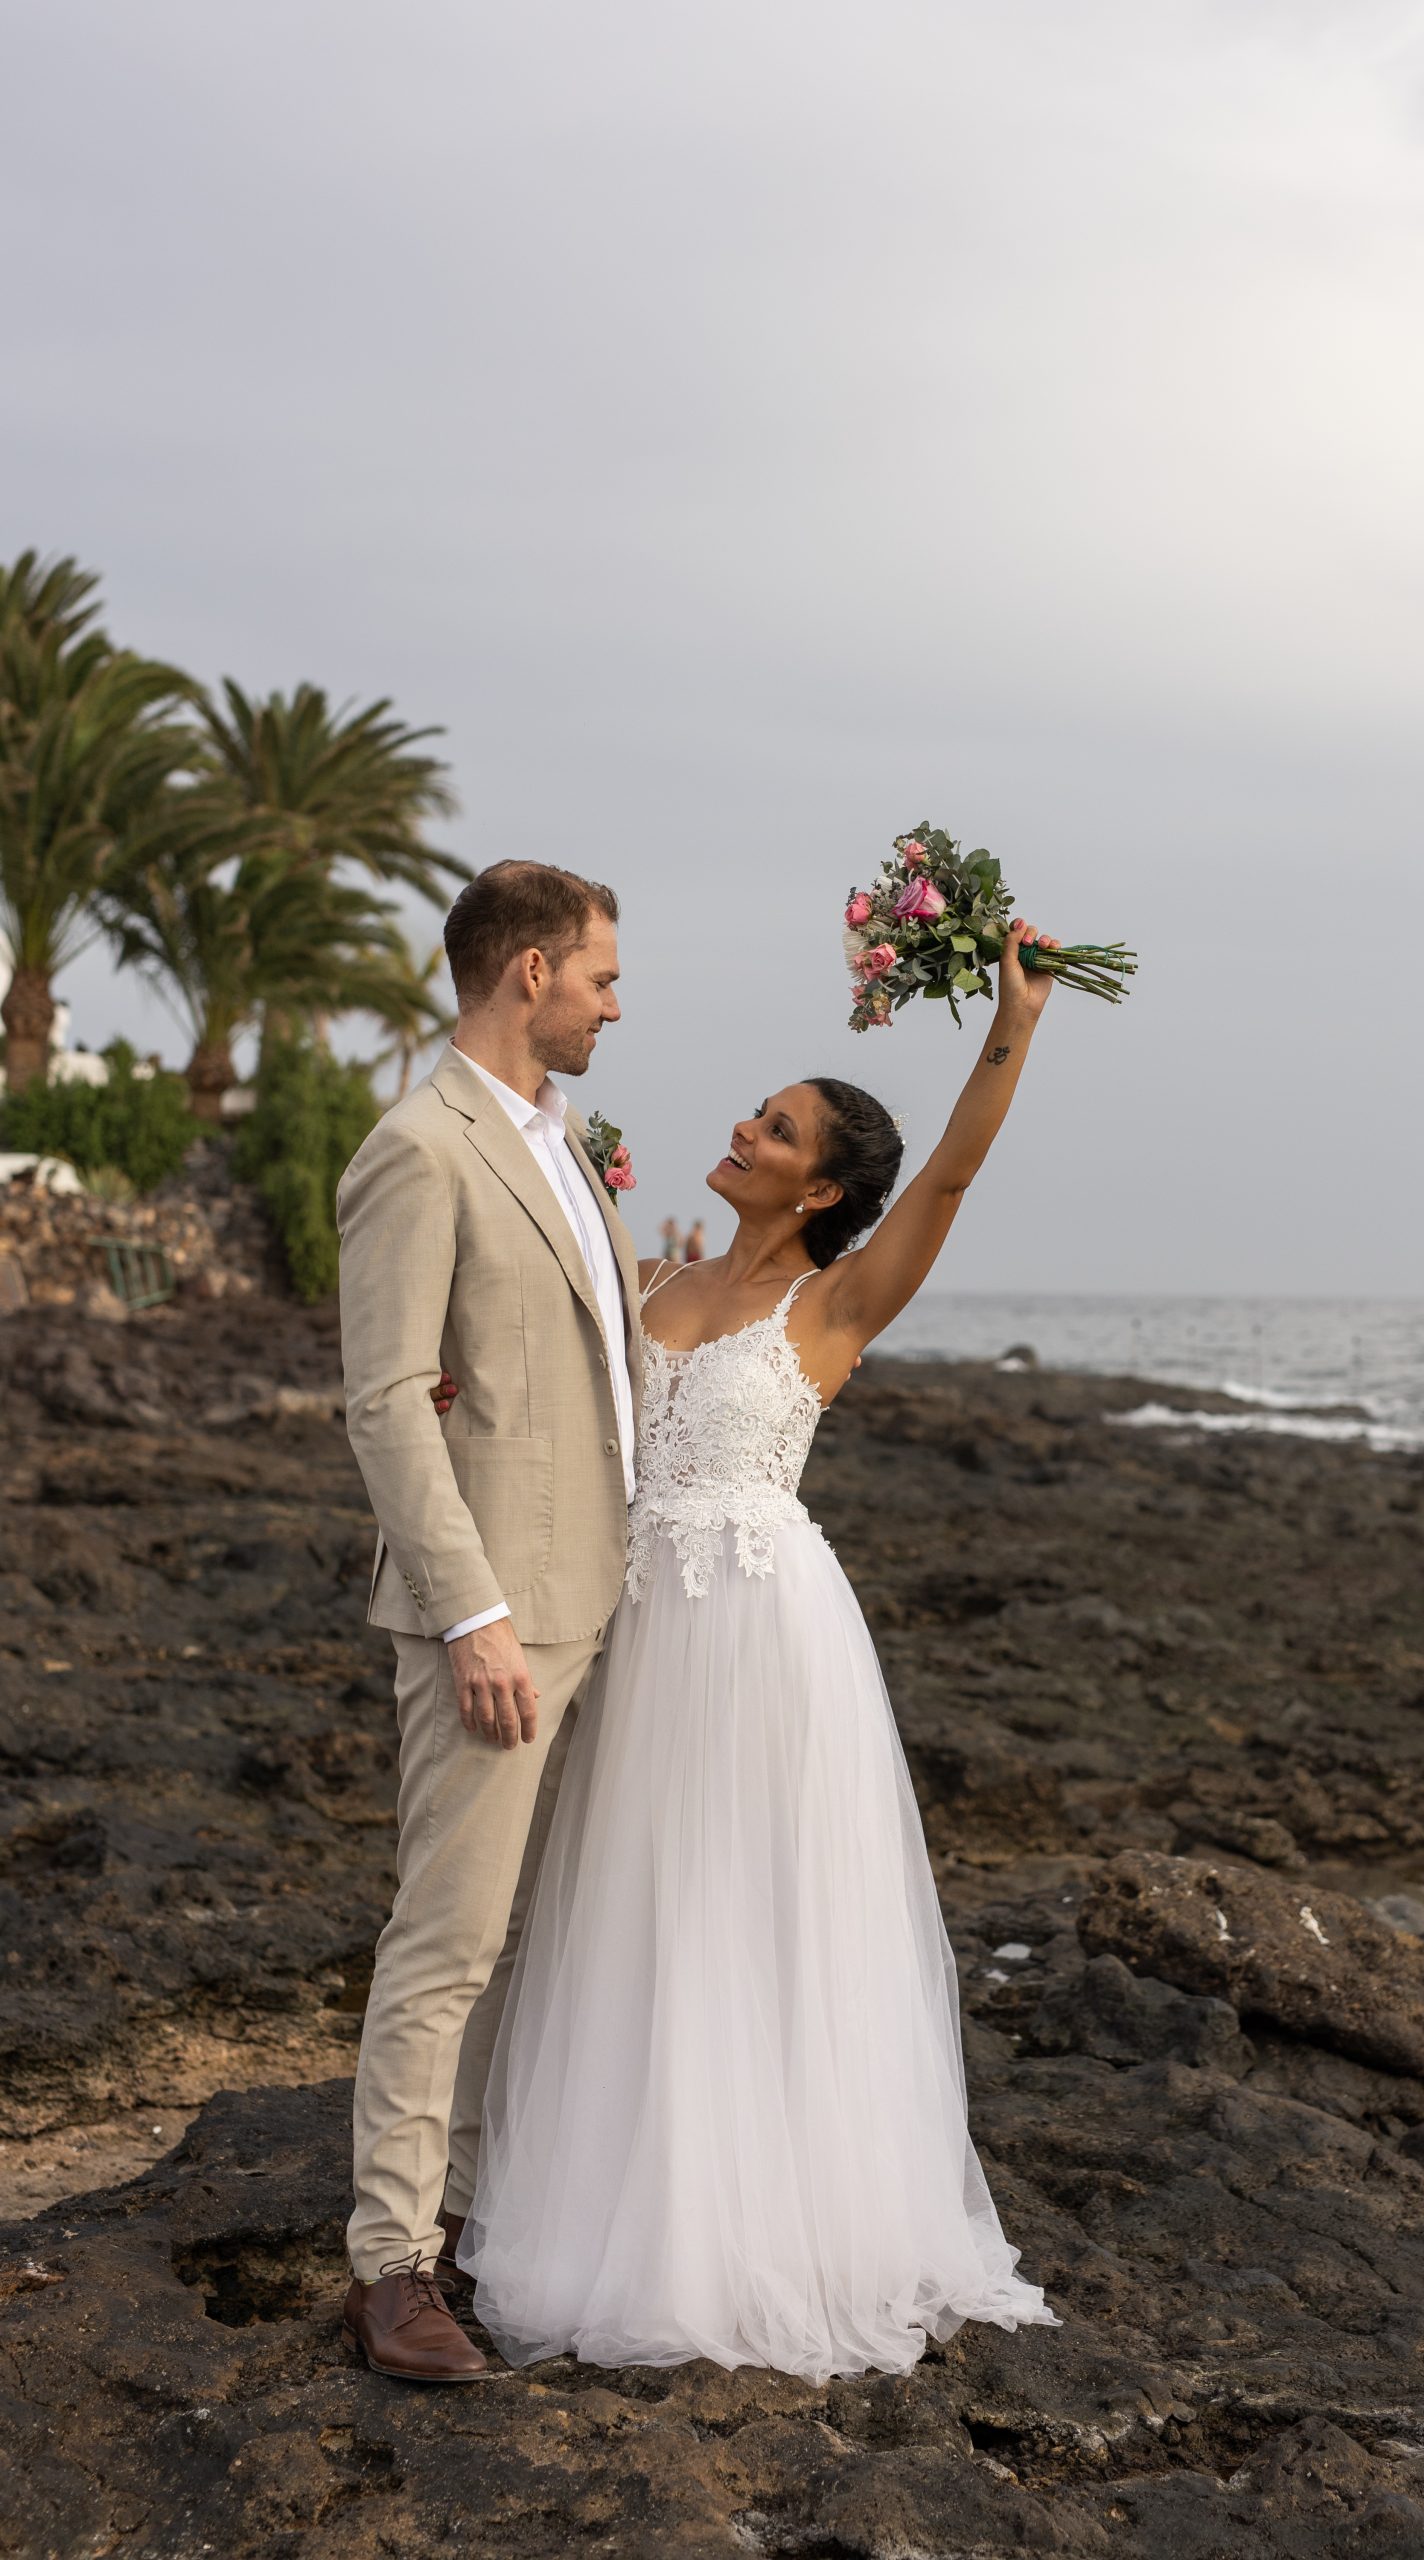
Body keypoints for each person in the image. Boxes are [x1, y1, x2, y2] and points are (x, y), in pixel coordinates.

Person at [446, 920, 1062, 2381]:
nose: (744, 1125)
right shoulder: (651, 1281)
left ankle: (773, 2224)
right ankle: (632, 2200)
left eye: (775, 1128)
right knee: (635, 1916)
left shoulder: (835, 1302)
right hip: (636, 1627)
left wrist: (1013, 1022)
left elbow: (958, 1172)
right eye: (755, 1111)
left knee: (752, 1916)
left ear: (824, 1187)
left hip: (760, 1633)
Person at [334, 860, 636, 2384]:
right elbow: (387, 1404)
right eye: (598, 975)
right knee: (447, 1942)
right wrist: (473, 1616)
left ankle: (459, 2224)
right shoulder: (419, 1147)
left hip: (606, 1597)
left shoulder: (565, 1148)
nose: (612, 1002)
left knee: (530, 1948)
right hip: (501, 1615)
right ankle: (387, 2267)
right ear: (527, 972)